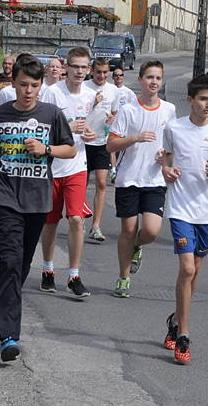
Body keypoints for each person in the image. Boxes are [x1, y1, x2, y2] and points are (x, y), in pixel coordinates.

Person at [0, 54, 76, 363]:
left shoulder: (51, 114)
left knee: (20, 266)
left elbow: (70, 148)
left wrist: (46, 148)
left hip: (37, 201)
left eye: (35, 85)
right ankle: (8, 335)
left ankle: (6, 306)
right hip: (5, 196)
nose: (29, 91)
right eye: (23, 85)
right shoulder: (2, 112)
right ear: (14, 83)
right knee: (8, 260)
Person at [160, 75, 208, 364]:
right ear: (190, 100)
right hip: (180, 208)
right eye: (203, 99)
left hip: (206, 210)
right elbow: (165, 158)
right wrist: (166, 170)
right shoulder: (174, 128)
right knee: (187, 268)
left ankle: (175, 319)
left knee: (195, 270)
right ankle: (184, 334)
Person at [106, 60, 176, 298]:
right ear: (140, 81)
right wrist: (134, 138)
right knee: (128, 228)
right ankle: (123, 277)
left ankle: (137, 246)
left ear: (162, 81)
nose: (153, 82)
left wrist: (165, 156)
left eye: (157, 78)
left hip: (154, 179)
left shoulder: (169, 109)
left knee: (151, 231)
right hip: (129, 178)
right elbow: (111, 144)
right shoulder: (128, 110)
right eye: (149, 78)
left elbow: (173, 144)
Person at [38, 48, 97, 298]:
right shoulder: (52, 93)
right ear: (65, 68)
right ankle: (48, 269)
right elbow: (41, 128)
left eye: (84, 67)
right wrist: (67, 126)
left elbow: (93, 127)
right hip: (53, 166)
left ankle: (74, 275)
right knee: (50, 221)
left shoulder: (92, 95)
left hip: (77, 165)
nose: (80, 72)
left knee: (75, 219)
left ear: (89, 69)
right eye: (75, 67)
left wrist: (92, 134)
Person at [83, 57, 120, 242]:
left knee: (102, 183)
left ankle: (96, 226)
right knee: (81, 183)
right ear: (92, 71)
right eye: (99, 72)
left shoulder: (113, 90)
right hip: (83, 141)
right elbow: (78, 113)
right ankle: (79, 218)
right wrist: (94, 104)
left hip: (102, 143)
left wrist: (112, 119)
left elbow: (114, 112)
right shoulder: (84, 88)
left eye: (105, 72)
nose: (102, 76)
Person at [109, 66, 135, 183]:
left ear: (123, 77)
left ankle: (118, 167)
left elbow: (134, 109)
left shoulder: (129, 92)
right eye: (116, 75)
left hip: (124, 125)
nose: (118, 77)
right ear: (113, 77)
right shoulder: (109, 90)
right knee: (112, 147)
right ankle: (113, 170)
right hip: (111, 123)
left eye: (120, 75)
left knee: (121, 148)